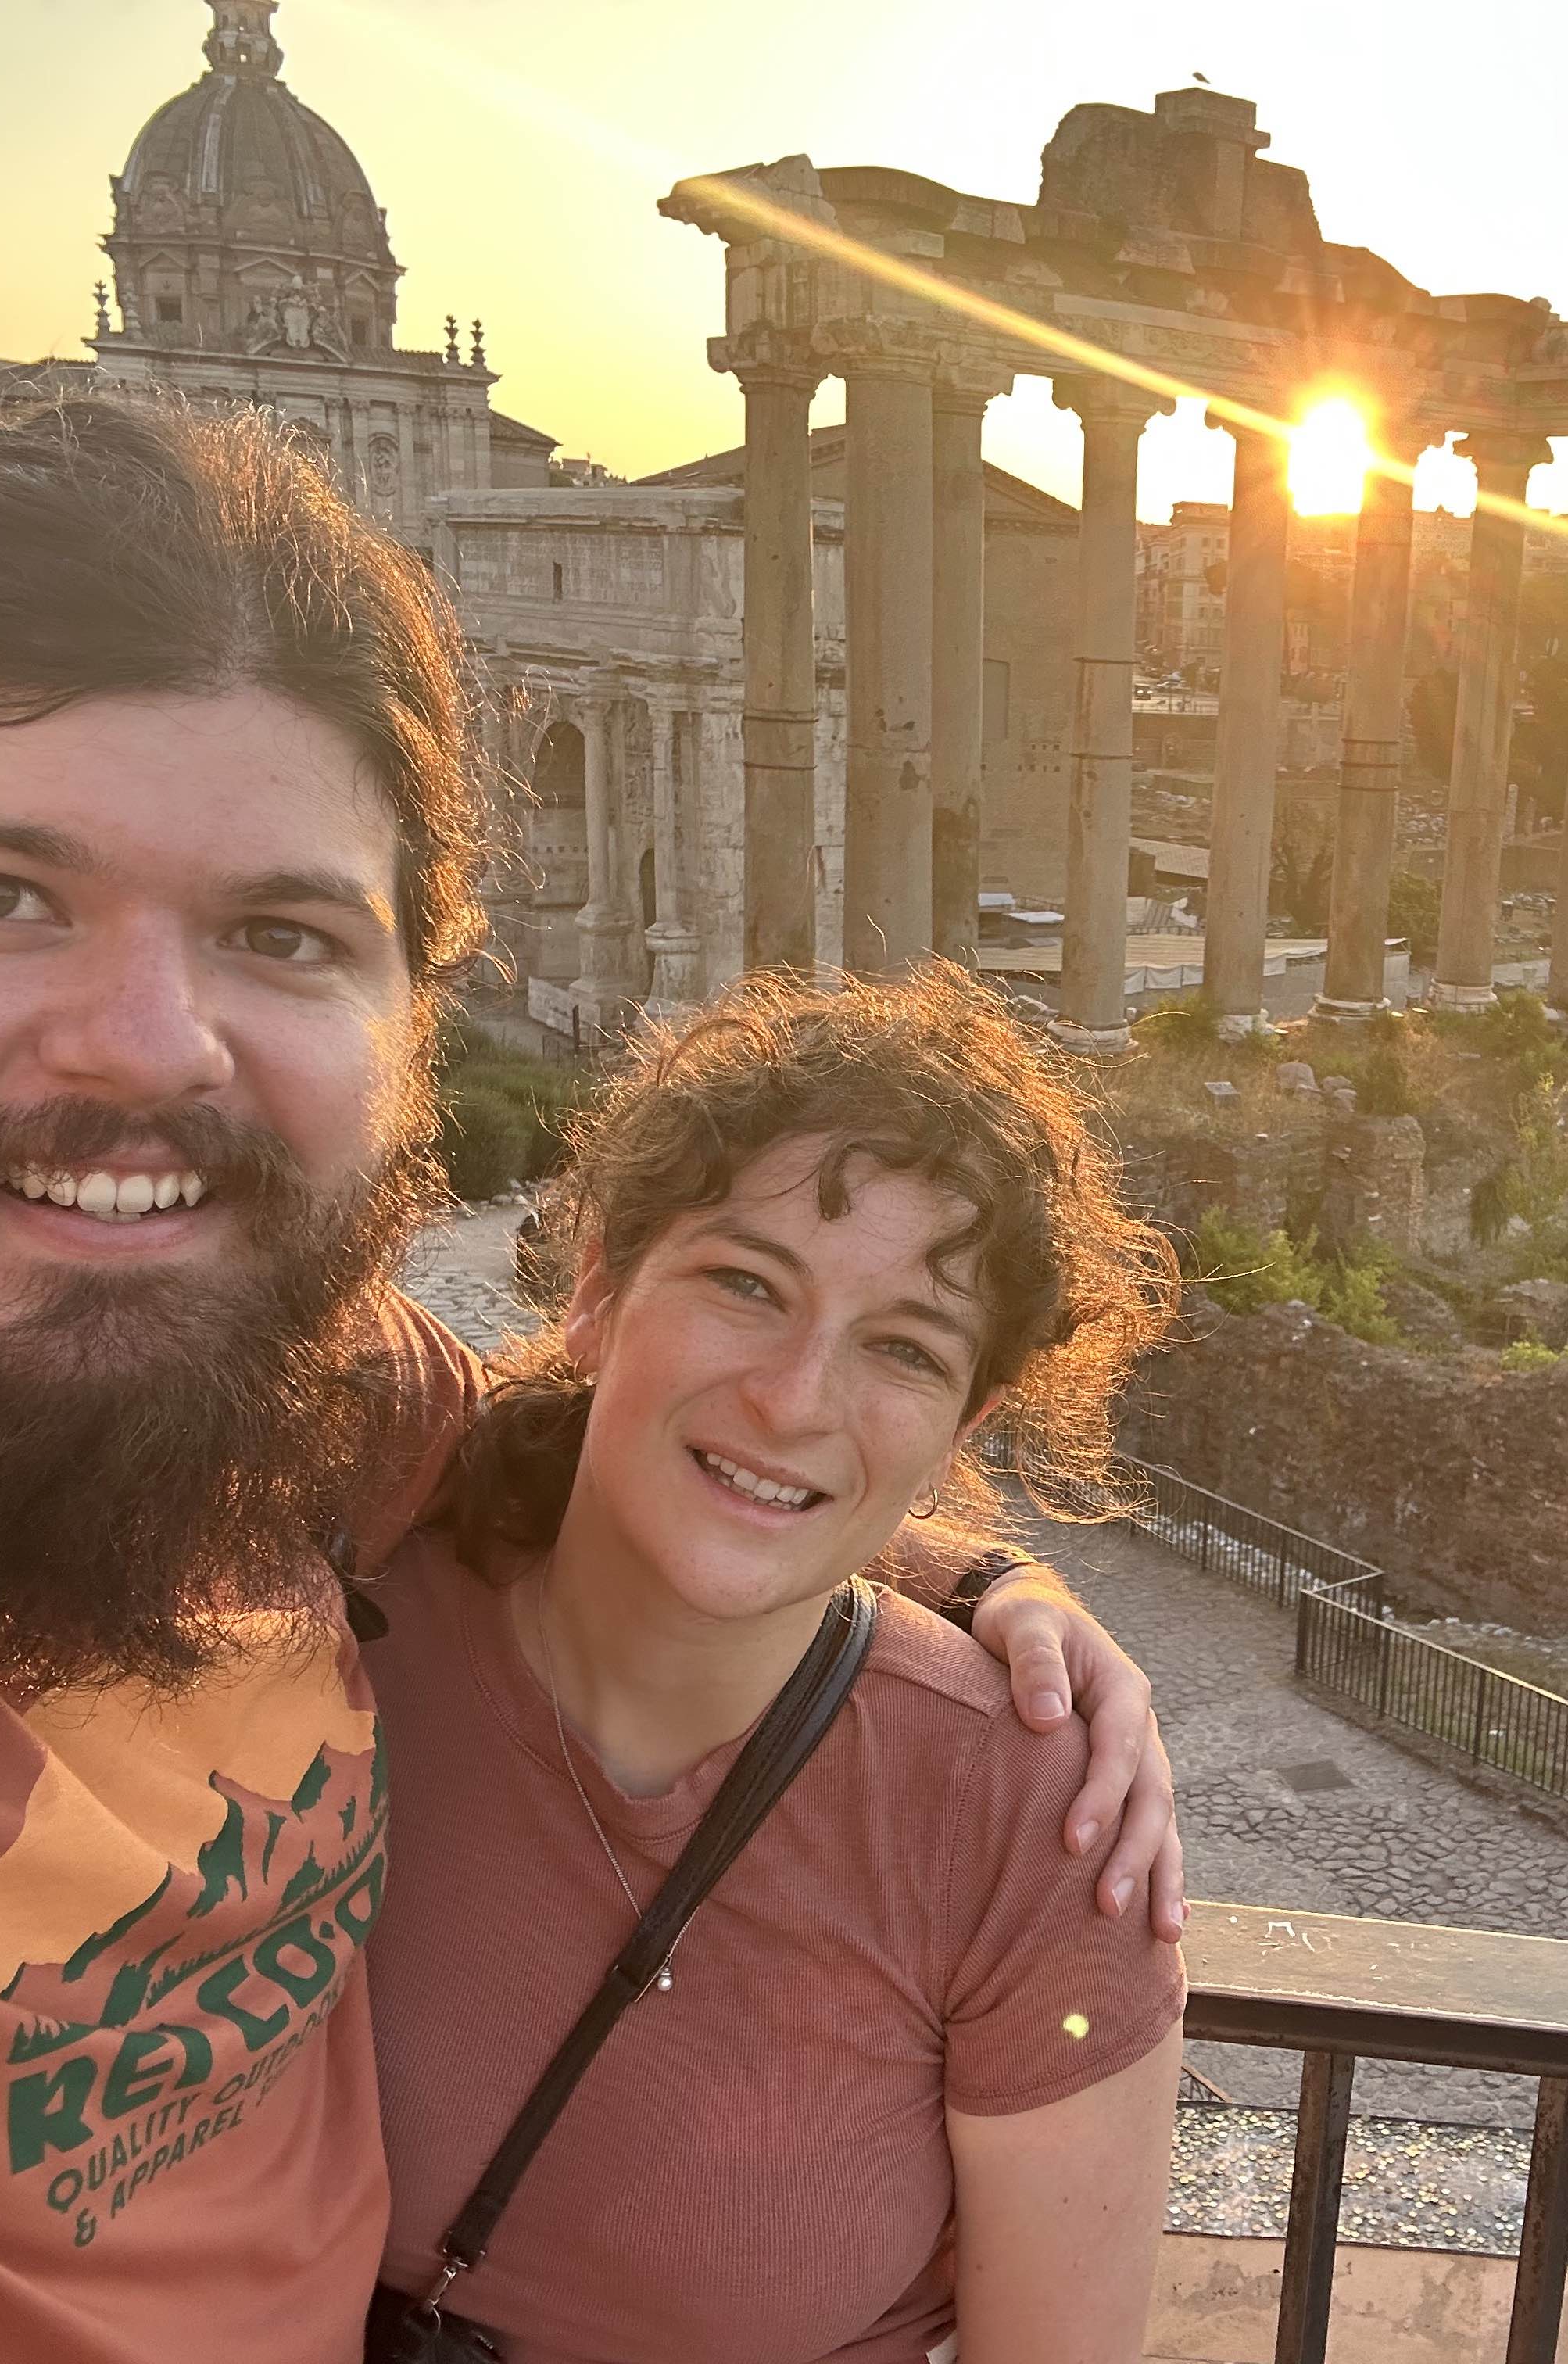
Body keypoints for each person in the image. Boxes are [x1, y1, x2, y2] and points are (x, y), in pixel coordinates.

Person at [0, 402, 1179, 2360]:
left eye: (280, 933)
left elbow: (656, 1440)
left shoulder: (317, 1404)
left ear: (407, 1019)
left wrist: (982, 1582)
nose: (147, 1044)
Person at [367, 970, 1183, 2362]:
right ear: (597, 1291)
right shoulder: (350, 1598)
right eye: (746, 1285)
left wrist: (982, 1577)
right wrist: (982, 1570)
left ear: (960, 1429)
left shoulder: (1031, 1826)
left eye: (902, 1349)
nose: (796, 1397)